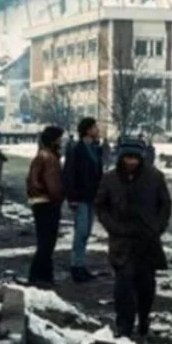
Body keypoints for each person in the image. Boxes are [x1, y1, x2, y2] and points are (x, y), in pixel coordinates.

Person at [94, 137, 172, 338]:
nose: (131, 162)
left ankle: (144, 318)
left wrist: (157, 227)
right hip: (122, 241)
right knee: (124, 284)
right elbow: (101, 205)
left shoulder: (154, 177)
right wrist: (112, 226)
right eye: (127, 157)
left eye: (135, 158)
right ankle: (124, 327)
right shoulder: (110, 179)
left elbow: (165, 205)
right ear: (120, 157)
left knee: (146, 284)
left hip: (147, 240)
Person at [62, 117, 104, 283]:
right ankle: (76, 266)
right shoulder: (77, 150)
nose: (97, 129)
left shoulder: (95, 148)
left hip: (91, 196)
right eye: (95, 127)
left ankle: (81, 265)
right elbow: (69, 173)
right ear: (87, 130)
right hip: (80, 197)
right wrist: (71, 197)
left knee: (86, 232)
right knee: (80, 232)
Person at [25, 126, 65, 289]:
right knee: (47, 242)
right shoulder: (49, 158)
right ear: (54, 140)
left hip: (40, 202)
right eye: (60, 138)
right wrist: (58, 197)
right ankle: (40, 276)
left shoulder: (42, 155)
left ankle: (42, 276)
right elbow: (52, 185)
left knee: (45, 241)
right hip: (47, 202)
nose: (62, 141)